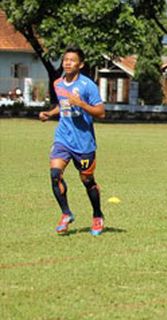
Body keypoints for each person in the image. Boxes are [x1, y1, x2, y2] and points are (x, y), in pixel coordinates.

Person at [39, 46, 107, 236]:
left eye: (72, 60)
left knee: (87, 181)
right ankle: (66, 213)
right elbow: (62, 106)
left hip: (84, 143)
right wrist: (49, 114)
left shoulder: (88, 86)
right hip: (63, 138)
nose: (67, 63)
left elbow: (101, 113)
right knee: (55, 174)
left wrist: (82, 104)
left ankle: (97, 215)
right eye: (65, 59)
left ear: (81, 64)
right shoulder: (58, 84)